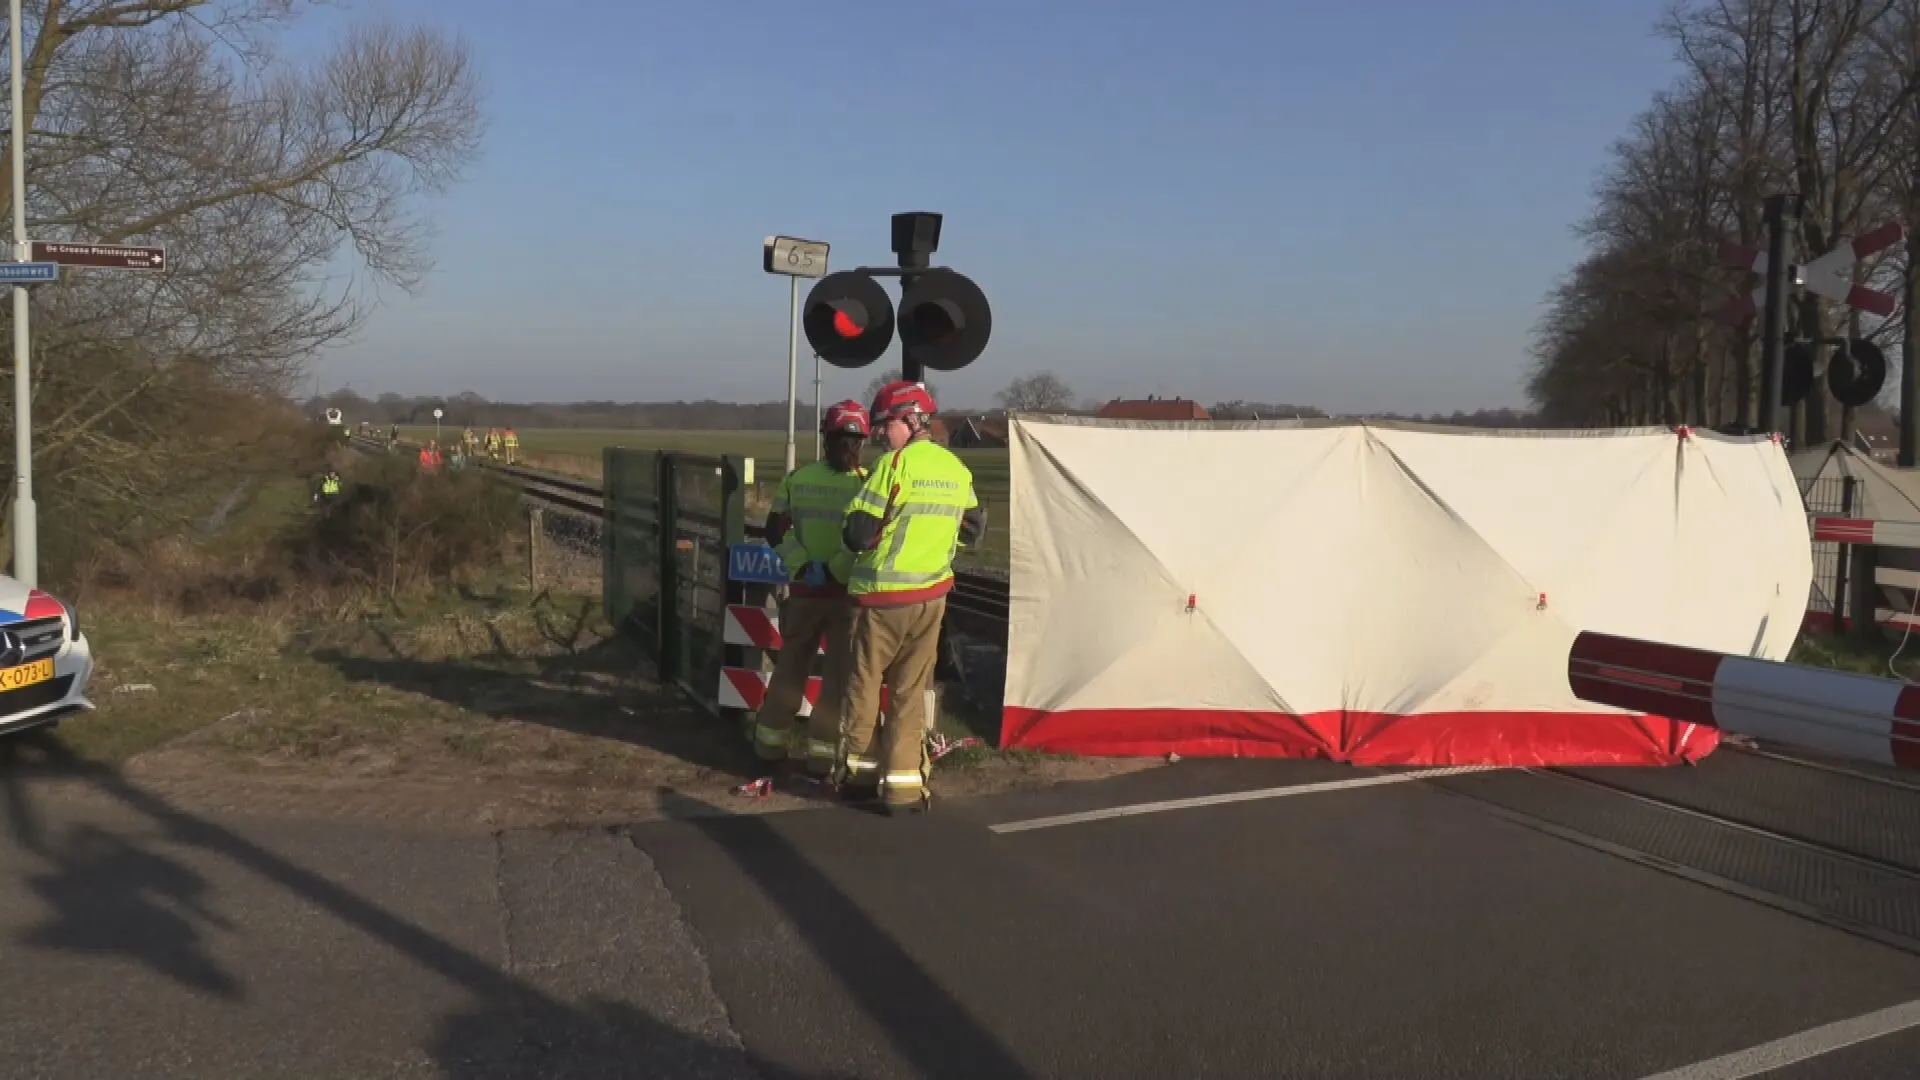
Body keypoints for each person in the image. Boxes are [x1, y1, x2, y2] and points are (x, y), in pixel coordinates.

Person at [836, 380, 985, 814]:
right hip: (931, 599)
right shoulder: (957, 469)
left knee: (864, 686)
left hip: (882, 598)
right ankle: (902, 788)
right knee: (909, 691)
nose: (880, 434)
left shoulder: (892, 466)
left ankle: (861, 777)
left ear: (913, 420)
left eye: (887, 425)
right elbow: (973, 530)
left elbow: (858, 534)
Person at [751, 401, 871, 775]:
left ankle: (768, 745)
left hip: (804, 591)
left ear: (824, 438)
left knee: (790, 668)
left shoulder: (798, 479)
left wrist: (803, 564)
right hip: (847, 595)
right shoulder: (867, 484)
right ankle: (821, 759)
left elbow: (775, 531)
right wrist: (837, 569)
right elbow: (868, 539)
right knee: (837, 679)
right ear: (862, 442)